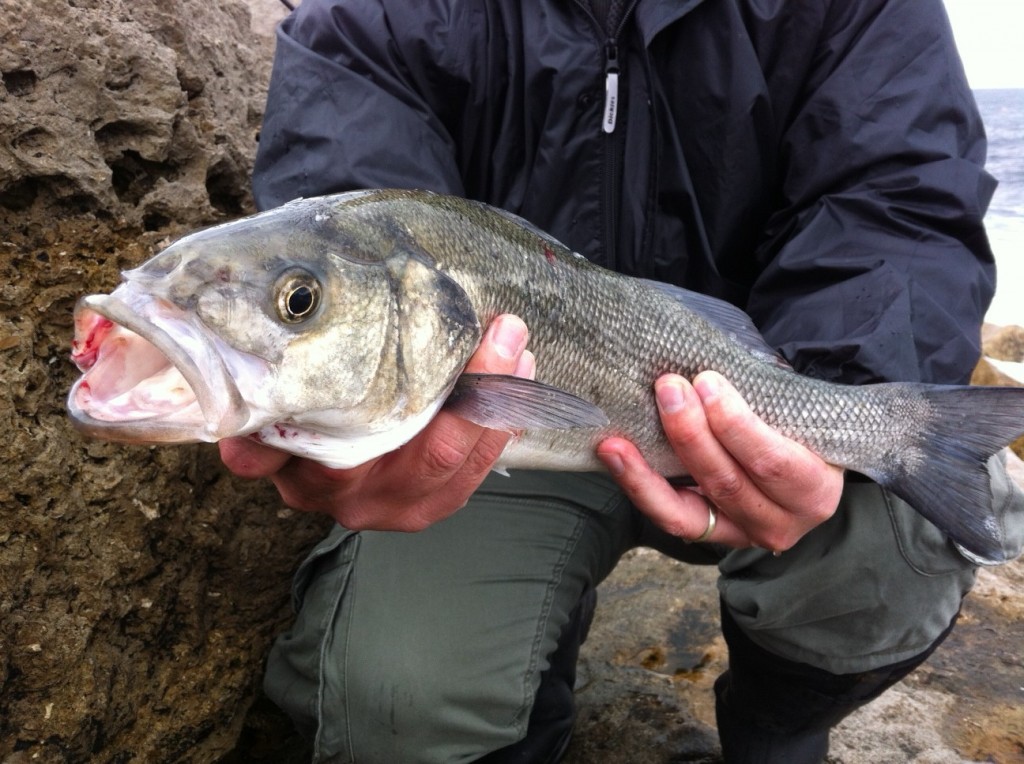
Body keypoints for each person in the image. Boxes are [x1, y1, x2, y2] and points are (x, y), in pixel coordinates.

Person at [221, 1, 1024, 761]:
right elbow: (335, 233)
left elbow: (900, 202)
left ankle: (775, 730)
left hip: (768, 382)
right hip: (495, 429)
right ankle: (535, 713)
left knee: (897, 539)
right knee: (390, 699)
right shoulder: (374, 17)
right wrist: (355, 429)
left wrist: (840, 391)